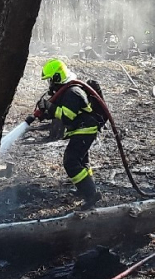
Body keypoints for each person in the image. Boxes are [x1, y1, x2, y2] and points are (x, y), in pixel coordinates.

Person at [27, 59, 103, 209]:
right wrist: (45, 112)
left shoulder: (72, 92)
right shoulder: (67, 91)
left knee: (71, 162)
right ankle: (85, 189)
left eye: (50, 80)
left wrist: (49, 106)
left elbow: (67, 115)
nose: (49, 84)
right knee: (81, 161)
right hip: (82, 129)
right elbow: (60, 111)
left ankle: (91, 194)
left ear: (57, 77)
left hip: (85, 129)